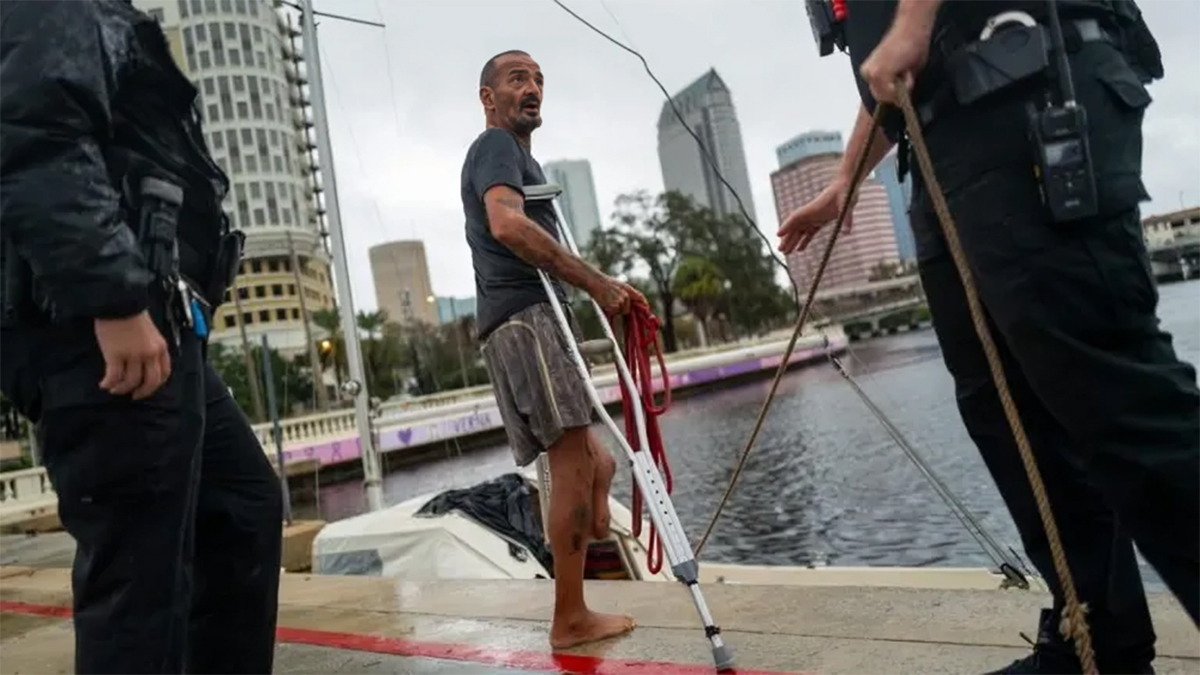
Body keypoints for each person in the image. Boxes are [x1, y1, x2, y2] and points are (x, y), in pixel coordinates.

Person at [780, 1, 1198, 673]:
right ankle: (1099, 640)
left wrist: (912, 27)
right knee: (1004, 408)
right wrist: (841, 183)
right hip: (946, 137)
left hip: (1027, 85)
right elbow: (894, 65)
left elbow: (910, 36)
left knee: (1114, 394)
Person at [0, 1, 283, 672]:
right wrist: (113, 295)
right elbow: (36, 137)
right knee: (139, 581)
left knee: (241, 507)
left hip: (159, 315)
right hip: (103, 326)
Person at [461, 49, 643, 650]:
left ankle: (579, 575)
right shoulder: (495, 149)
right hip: (526, 319)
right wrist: (597, 282)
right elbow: (507, 226)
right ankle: (570, 617)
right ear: (489, 97)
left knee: (600, 464)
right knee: (570, 464)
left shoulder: (520, 159)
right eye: (517, 79)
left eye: (539, 78)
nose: (533, 87)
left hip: (536, 320)